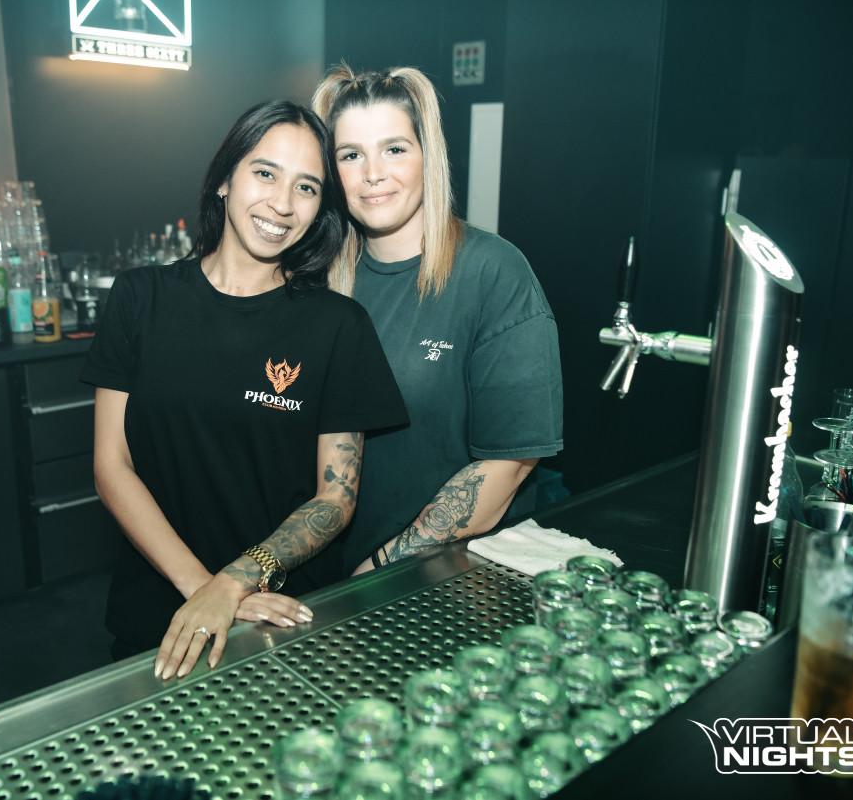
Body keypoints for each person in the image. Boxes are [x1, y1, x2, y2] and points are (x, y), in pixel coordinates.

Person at [80, 100, 407, 679]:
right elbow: (113, 466)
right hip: (157, 612)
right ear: (224, 180)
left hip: (280, 618)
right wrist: (203, 589)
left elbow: (335, 498)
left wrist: (235, 582)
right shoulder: (139, 298)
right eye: (265, 173)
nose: (282, 203)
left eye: (306, 187)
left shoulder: (337, 325)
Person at [311, 65, 563, 575]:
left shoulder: (492, 271)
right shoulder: (317, 276)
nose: (373, 173)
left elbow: (509, 463)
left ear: (429, 156)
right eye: (351, 155)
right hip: (324, 572)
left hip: (446, 577)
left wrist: (378, 569)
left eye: (394, 149)